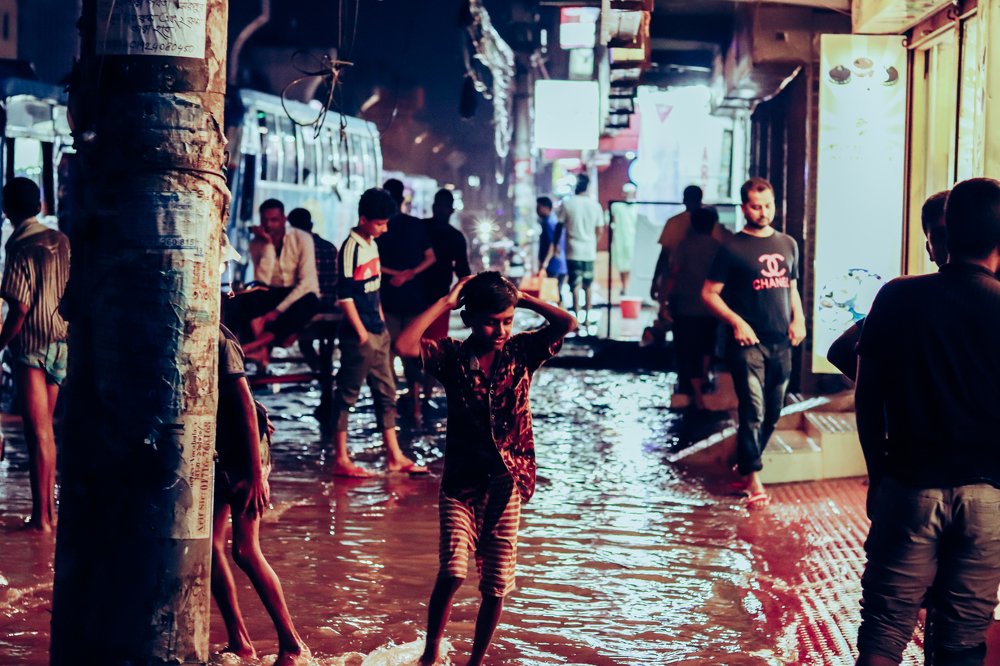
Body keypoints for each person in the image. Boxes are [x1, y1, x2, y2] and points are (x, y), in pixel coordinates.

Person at [395, 271, 577, 666]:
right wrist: (447, 301)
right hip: (460, 483)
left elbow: (567, 323)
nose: (499, 329)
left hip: (505, 481)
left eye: (507, 320)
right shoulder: (452, 356)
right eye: (491, 321)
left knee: (496, 584)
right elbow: (405, 345)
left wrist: (524, 299)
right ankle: (430, 655)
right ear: (470, 318)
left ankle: (475, 663)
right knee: (454, 570)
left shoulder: (523, 351)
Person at [853, 178, 1000, 665]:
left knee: (884, 631)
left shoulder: (899, 297)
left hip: (911, 489)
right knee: (962, 640)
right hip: (989, 501)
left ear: (942, 234)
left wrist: (878, 475)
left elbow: (867, 396)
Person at [702, 177, 805, 507]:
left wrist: (799, 318)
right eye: (756, 207)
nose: (763, 212)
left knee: (774, 410)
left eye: (768, 205)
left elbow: (790, 287)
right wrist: (737, 321)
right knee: (753, 410)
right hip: (747, 344)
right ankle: (753, 479)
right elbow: (708, 293)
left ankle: (744, 463)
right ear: (744, 208)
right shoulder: (731, 248)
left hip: (781, 341)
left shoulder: (788, 243)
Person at [211, 325, 311, 666]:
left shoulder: (220, 340)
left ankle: (292, 644)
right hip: (217, 452)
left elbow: (245, 403)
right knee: (208, 548)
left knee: (244, 550)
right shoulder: (186, 335)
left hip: (244, 454)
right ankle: (240, 641)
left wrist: (256, 475)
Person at [331, 187, 425, 477]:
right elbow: (345, 296)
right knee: (347, 395)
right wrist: (361, 333)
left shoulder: (372, 244)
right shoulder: (351, 247)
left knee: (388, 394)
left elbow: (373, 288)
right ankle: (341, 458)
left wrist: (381, 323)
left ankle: (395, 456)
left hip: (378, 331)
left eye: (386, 223)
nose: (384, 229)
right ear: (363, 219)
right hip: (359, 335)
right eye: (380, 223)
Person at [0, 177, 70, 532]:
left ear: (7, 209)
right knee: (46, 433)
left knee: (37, 432)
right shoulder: (60, 241)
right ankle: (49, 515)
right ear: (40, 205)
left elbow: (20, 307)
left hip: (30, 347)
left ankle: (41, 518)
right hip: (61, 345)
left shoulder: (20, 247)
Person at [826, 190, 948, 380]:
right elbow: (841, 350)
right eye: (941, 236)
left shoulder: (903, 293)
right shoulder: (905, 294)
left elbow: (840, 350)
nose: (950, 245)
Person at [223, 199, 320, 363]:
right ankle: (237, 348)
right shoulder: (257, 243)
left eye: (274, 220)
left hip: (299, 294)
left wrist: (275, 312)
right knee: (235, 301)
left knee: (309, 303)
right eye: (264, 220)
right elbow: (262, 282)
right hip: (273, 292)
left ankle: (251, 347)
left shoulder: (302, 238)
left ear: (284, 219)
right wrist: (267, 245)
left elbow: (306, 283)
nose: (269, 225)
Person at [379, 179, 436, 417]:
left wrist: (395, 274)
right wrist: (410, 273)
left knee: (388, 353)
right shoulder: (416, 225)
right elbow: (431, 258)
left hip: (390, 300)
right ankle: (415, 405)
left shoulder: (379, 227)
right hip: (415, 300)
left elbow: (372, 263)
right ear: (403, 200)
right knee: (413, 353)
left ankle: (390, 405)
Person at [646, 185, 731, 346]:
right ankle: (703, 370)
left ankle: (687, 368)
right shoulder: (716, 230)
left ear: (684, 199)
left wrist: (658, 284)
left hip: (682, 293)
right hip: (711, 293)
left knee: (683, 336)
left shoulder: (675, 224)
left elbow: (666, 259)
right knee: (707, 339)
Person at [664, 206, 723, 410]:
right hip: (711, 308)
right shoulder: (718, 247)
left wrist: (664, 300)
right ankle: (704, 378)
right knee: (707, 345)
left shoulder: (684, 245)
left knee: (688, 349)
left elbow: (673, 273)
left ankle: (694, 391)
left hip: (686, 305)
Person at [287, 207, 338, 371]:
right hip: (329, 306)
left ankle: (320, 371)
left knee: (304, 343)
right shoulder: (329, 247)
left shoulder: (296, 248)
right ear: (311, 224)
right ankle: (325, 373)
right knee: (326, 345)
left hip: (307, 306)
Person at [423, 188, 472, 339]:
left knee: (415, 342)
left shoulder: (420, 228)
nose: (443, 211)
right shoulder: (455, 236)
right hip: (438, 297)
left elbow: (462, 270)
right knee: (434, 345)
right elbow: (462, 271)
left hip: (418, 297)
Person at [557, 174, 606, 326]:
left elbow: (559, 226)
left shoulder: (567, 204)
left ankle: (577, 318)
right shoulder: (595, 205)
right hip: (589, 250)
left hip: (573, 250)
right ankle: (587, 320)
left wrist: (556, 246)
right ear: (587, 187)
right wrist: (593, 242)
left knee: (575, 285)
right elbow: (600, 229)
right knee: (588, 285)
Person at [609, 185, 640, 295]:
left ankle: (630, 287)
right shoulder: (617, 206)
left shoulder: (638, 207)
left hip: (634, 241)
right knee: (622, 265)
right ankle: (624, 287)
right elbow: (611, 220)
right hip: (620, 240)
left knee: (632, 265)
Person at [536, 195, 567, 303]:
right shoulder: (552, 221)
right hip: (559, 263)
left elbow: (552, 244)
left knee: (554, 295)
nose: (537, 210)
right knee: (555, 294)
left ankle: (564, 318)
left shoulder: (549, 222)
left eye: (538, 207)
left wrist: (545, 263)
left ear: (546, 208)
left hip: (554, 264)